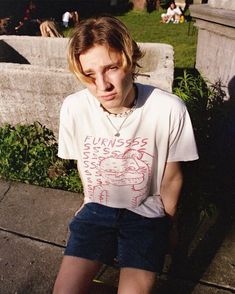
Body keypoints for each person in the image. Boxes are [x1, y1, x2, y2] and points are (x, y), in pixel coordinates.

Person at [53, 15, 198, 294]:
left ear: (129, 60)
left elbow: (172, 178)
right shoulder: (73, 108)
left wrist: (169, 224)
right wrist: (87, 201)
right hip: (97, 209)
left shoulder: (169, 109)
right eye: (89, 74)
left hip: (146, 213)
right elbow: (84, 162)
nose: (102, 85)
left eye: (111, 68)